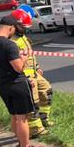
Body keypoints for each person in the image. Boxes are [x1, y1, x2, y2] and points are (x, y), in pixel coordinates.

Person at [0, 15, 45, 147]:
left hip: (2, 85)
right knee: (22, 118)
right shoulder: (9, 44)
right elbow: (18, 67)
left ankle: (21, 142)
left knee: (13, 116)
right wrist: (24, 56)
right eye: (13, 30)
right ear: (10, 28)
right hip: (17, 84)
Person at [11, 9, 51, 138]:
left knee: (47, 91)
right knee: (33, 102)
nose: (25, 29)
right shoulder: (11, 41)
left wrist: (37, 66)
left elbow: (29, 54)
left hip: (33, 72)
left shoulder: (22, 37)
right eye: (23, 26)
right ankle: (35, 129)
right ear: (15, 25)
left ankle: (44, 118)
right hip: (24, 75)